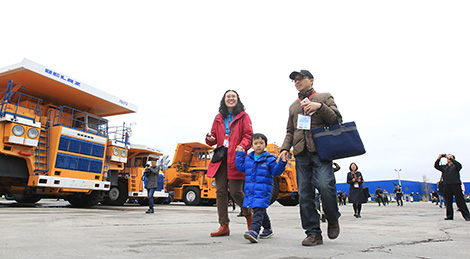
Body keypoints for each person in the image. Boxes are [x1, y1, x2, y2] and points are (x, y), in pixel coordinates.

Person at [279, 70, 341, 246]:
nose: (297, 82)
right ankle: (313, 232)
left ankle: (332, 217)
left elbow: (336, 119)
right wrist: (285, 148)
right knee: (305, 195)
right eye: (294, 80)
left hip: (321, 152)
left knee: (324, 185)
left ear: (311, 80)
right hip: (301, 154)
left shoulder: (324, 97)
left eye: (300, 79)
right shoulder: (293, 106)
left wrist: (320, 107)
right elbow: (290, 131)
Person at [206, 90, 253, 237]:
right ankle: (223, 225)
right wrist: (210, 138)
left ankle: (251, 218)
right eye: (228, 97)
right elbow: (212, 135)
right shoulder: (218, 117)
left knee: (235, 191)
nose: (231, 99)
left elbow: (249, 135)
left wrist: (242, 146)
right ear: (224, 100)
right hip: (221, 158)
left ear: (237, 99)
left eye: (233, 96)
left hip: (236, 157)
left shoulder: (243, 116)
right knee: (220, 192)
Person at [235, 133, 287, 243]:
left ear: (265, 145)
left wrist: (282, 163)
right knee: (260, 210)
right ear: (252, 146)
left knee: (258, 210)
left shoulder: (270, 159)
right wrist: (239, 154)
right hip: (251, 191)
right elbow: (240, 167)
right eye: (256, 143)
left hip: (263, 191)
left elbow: (276, 172)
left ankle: (254, 231)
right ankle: (267, 229)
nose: (258, 145)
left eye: (261, 143)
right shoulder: (248, 158)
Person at [434, 154, 470, 221]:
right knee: (448, 201)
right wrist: (438, 159)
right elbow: (436, 166)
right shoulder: (444, 167)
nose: (448, 159)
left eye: (450, 158)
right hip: (447, 185)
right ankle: (449, 216)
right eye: (447, 158)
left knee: (460, 201)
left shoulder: (456, 166)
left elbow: (459, 165)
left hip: (455, 184)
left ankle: (467, 216)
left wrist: (451, 159)